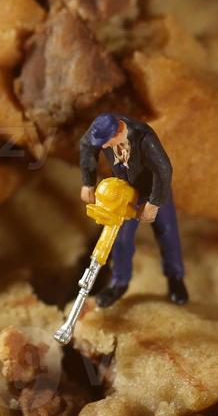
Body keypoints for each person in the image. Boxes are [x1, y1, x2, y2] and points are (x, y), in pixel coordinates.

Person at [79, 113, 189, 308]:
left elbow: (164, 170)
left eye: (106, 142)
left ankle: (175, 278)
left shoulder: (144, 138)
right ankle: (119, 283)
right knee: (120, 238)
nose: (103, 146)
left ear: (120, 131)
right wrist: (88, 182)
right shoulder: (102, 130)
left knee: (167, 232)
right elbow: (87, 145)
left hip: (153, 190)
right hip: (124, 192)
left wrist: (154, 203)